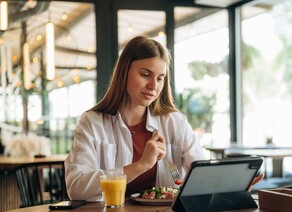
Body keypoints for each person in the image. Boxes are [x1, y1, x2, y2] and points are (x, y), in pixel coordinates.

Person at [65, 36, 263, 201]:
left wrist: (229, 187)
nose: (153, 85)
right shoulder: (92, 122)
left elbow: (200, 175)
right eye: (145, 74)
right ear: (124, 73)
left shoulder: (175, 122)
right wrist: (141, 165)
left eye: (160, 78)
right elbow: (76, 187)